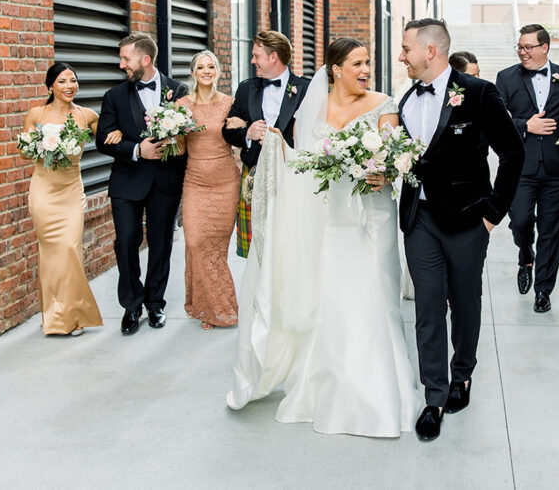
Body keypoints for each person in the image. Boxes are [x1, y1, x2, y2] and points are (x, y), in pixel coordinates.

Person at [227, 38, 419, 438]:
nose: (366, 70)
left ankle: (382, 390)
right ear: (335, 69)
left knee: (374, 296)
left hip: (371, 217)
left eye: (368, 62)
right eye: (357, 63)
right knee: (332, 298)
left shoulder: (384, 105)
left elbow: (391, 157)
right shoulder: (311, 108)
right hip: (329, 218)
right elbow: (303, 164)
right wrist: (279, 151)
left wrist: (386, 171)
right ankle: (325, 386)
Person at [398, 18, 524, 441]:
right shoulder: (406, 100)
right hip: (420, 220)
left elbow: (513, 152)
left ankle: (462, 375)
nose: (402, 57)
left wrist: (493, 213)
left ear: (430, 51)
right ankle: (433, 396)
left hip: (469, 220)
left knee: (465, 302)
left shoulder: (480, 93)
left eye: (406, 49)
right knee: (428, 306)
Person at [96, 34, 188, 335]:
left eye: (126, 59)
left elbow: (188, 134)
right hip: (127, 180)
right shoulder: (114, 97)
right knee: (125, 243)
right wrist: (136, 149)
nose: (122, 64)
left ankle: (155, 303)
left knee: (160, 244)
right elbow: (103, 140)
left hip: (165, 180)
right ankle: (131, 305)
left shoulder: (178, 91)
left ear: (145, 60)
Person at [495, 24, 559, 313]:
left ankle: (543, 290)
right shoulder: (506, 77)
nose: (522, 52)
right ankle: (525, 254)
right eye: (520, 47)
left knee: (551, 230)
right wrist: (525, 125)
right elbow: (496, 119)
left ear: (545, 47)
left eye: (528, 47)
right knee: (520, 220)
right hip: (521, 167)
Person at [23, 63, 114, 335]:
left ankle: (73, 314)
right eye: (62, 81)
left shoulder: (87, 115)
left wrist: (119, 133)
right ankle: (54, 315)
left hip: (71, 191)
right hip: (44, 190)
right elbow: (25, 153)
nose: (69, 86)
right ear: (51, 85)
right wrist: (41, 145)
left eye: (73, 81)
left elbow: (108, 138)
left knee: (70, 249)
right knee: (49, 254)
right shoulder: (36, 114)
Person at [222, 31, 310, 258]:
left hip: (292, 176)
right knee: (256, 249)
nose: (252, 61)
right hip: (254, 175)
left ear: (273, 57)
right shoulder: (246, 88)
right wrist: (247, 133)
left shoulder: (306, 90)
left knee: (289, 245)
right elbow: (227, 131)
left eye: (256, 56)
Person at [174, 50, 241, 330]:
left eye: (210, 66)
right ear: (193, 73)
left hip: (226, 182)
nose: (206, 71)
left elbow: (237, 139)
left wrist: (242, 126)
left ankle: (216, 309)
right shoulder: (181, 105)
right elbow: (179, 148)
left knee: (216, 248)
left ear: (218, 71)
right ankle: (207, 305)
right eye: (200, 67)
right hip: (195, 183)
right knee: (196, 243)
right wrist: (169, 137)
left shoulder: (230, 103)